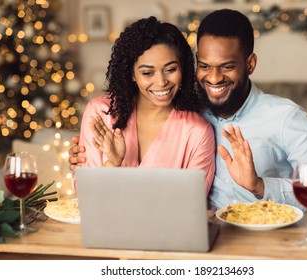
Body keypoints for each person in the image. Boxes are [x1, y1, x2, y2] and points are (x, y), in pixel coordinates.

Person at [70, 9, 307, 214]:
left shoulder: (285, 118)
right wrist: (99, 165)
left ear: (250, 63)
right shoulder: (189, 109)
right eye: (205, 66)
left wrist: (261, 186)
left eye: (227, 66)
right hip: (203, 243)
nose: (214, 78)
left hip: (270, 242)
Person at [75, 16, 215, 193]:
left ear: (183, 68)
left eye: (170, 69)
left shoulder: (197, 132)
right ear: (132, 73)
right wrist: (112, 164)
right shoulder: (100, 112)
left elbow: (191, 204)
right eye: (148, 73)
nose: (161, 82)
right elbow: (85, 194)